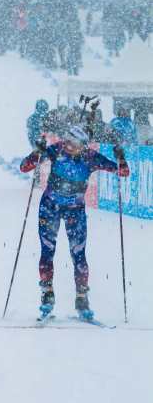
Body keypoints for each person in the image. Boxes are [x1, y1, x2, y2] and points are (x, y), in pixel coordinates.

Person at [20, 126, 129, 320]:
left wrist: (121, 158)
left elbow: (123, 172)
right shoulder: (57, 149)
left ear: (84, 146)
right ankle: (47, 294)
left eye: (75, 143)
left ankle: (82, 298)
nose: (69, 145)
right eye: (68, 140)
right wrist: (36, 151)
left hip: (75, 211)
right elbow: (24, 167)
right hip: (49, 207)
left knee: (78, 255)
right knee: (47, 251)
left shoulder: (92, 157)